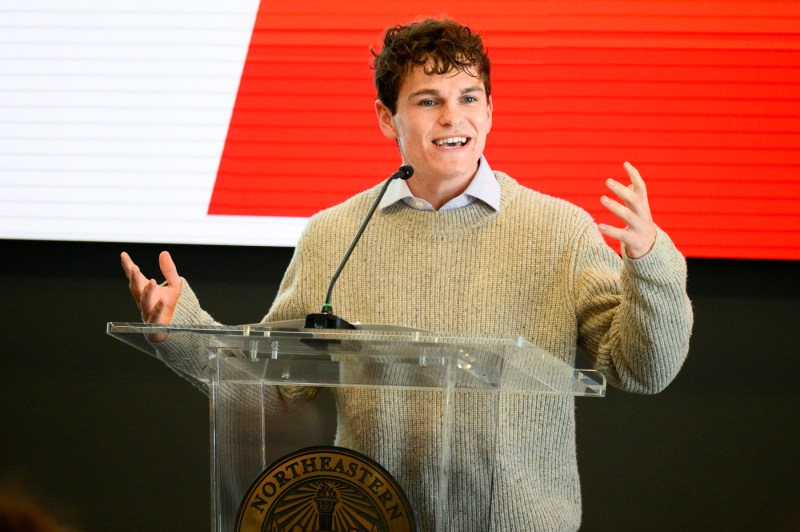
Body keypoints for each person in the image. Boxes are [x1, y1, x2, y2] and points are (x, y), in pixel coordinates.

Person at [121, 18, 692, 530]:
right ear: (385, 117)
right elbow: (279, 390)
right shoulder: (336, 233)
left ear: (490, 110)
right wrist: (182, 331)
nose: (453, 118)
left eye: (470, 97)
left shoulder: (560, 230)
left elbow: (641, 369)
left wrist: (649, 263)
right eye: (428, 100)